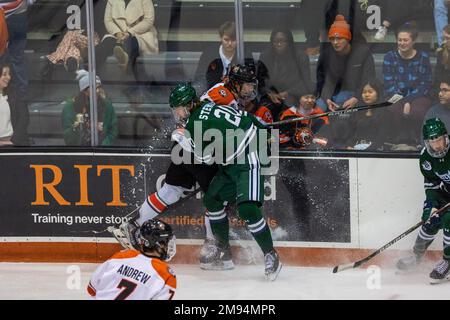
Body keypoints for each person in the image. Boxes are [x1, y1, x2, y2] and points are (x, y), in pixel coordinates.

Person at [170, 83, 282, 281]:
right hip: (231, 162)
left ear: (188, 105)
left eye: (178, 108)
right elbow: (246, 118)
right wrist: (262, 130)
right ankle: (223, 253)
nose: (176, 113)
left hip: (249, 157)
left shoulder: (196, 122)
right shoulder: (210, 106)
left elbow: (204, 159)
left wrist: (185, 141)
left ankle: (271, 255)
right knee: (212, 200)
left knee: (247, 209)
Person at [396, 118, 450, 284]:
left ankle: (448, 261)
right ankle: (416, 256)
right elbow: (432, 186)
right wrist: (429, 210)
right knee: (431, 222)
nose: (437, 145)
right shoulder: (426, 157)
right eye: (432, 141)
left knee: (449, 220)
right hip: (445, 197)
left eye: (439, 140)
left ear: (445, 137)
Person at [315, 14, 375, 149]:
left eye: (339, 38)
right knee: (318, 109)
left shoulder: (362, 53)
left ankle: (339, 145)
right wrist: (326, 98)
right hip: (330, 94)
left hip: (355, 94)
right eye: (332, 39)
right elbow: (322, 80)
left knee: (342, 108)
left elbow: (369, 79)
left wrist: (356, 97)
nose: (335, 42)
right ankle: (318, 143)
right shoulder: (326, 54)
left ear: (347, 38)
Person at [88, 219, 177, 300]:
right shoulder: (165, 274)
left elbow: (91, 289)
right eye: (166, 242)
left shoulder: (120, 257)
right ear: (158, 244)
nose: (169, 246)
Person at [383, 22, 432, 146]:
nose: (402, 43)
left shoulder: (423, 57)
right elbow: (389, 84)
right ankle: (397, 140)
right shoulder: (389, 57)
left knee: (418, 111)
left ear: (413, 41)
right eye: (399, 40)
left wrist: (409, 100)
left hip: (419, 95)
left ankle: (416, 140)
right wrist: (405, 101)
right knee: (393, 108)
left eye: (405, 40)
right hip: (395, 94)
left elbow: (425, 84)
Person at [257, 27, 313, 121]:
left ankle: (285, 135)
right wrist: (270, 94)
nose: (279, 44)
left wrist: (287, 93)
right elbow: (260, 81)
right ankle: (267, 135)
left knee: (287, 114)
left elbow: (306, 83)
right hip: (271, 97)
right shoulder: (265, 56)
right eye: (275, 42)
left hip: (294, 96)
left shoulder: (300, 57)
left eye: (283, 41)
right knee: (263, 113)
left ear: (289, 42)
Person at [97, 0, 158, 73]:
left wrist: (130, 32)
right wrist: (117, 33)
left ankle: (126, 63)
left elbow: (149, 20)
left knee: (132, 43)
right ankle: (90, 70)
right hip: (117, 33)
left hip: (139, 33)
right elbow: (108, 20)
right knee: (106, 43)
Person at [194, 21, 253, 93]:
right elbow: (200, 77)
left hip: (237, 95)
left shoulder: (245, 54)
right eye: (226, 40)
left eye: (233, 40)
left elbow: (250, 79)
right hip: (213, 95)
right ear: (220, 38)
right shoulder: (209, 54)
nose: (230, 44)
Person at [62, 70, 118, 146]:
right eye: (93, 88)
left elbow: (113, 131)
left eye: (98, 87)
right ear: (84, 91)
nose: (97, 91)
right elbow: (67, 137)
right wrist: (76, 128)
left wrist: (104, 146)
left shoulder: (107, 105)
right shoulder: (70, 107)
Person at [0, 60, 29, 146]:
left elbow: (24, 118)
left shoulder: (15, 95)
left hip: (11, 143)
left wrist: (13, 142)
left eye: (9, 74)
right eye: (4, 74)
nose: (8, 77)